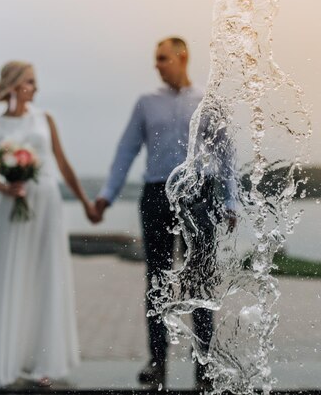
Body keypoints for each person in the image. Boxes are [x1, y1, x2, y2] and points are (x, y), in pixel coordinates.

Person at [94, 37, 236, 389]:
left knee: (200, 280)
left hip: (199, 195)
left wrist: (231, 200)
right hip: (157, 194)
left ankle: (204, 367)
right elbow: (126, 150)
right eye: (156, 59)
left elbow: (226, 153)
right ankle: (157, 362)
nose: (157, 65)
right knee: (156, 279)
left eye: (162, 58)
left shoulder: (208, 100)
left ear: (182, 57)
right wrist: (107, 195)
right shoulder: (146, 104)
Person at [0, 61, 99, 388]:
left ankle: (41, 360)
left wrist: (86, 202)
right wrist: (7, 187)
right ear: (15, 85)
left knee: (45, 276)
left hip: (48, 205)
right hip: (14, 207)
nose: (36, 87)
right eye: (30, 81)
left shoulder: (45, 120)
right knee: (6, 276)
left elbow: (63, 163)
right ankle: (0, 358)